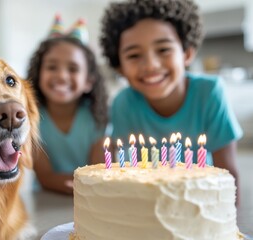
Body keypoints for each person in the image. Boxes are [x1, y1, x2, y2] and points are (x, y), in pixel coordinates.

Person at [100, 0, 243, 202]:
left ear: (187, 53)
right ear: (120, 68)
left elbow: (229, 179)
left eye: (163, 50)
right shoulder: (123, 103)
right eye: (134, 55)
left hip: (203, 204)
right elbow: (128, 177)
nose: (151, 65)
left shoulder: (209, 93)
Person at [27, 18, 109, 195]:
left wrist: (87, 187)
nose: (62, 76)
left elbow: (97, 173)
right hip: (47, 201)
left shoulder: (98, 118)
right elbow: (46, 177)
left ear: (88, 81)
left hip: (92, 198)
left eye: (73, 69)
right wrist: (83, 186)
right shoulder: (30, 120)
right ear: (38, 74)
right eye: (52, 67)